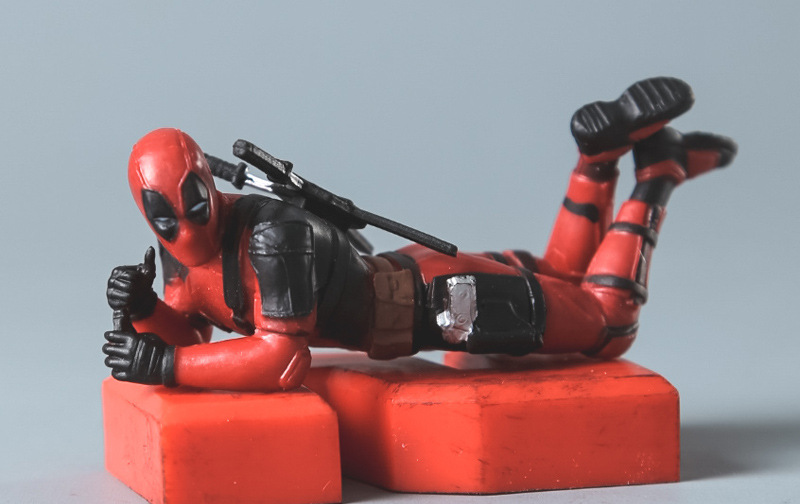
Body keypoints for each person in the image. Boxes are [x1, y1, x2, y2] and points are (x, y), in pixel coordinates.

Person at [103, 77, 736, 393]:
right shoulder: (178, 254)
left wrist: (166, 365)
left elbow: (282, 359)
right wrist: (148, 311)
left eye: (195, 204)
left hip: (443, 306)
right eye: (168, 218)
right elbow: (193, 332)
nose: (187, 228)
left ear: (209, 185)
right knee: (561, 276)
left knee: (609, 323)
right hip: (420, 280)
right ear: (147, 215)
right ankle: (596, 162)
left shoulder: (270, 237)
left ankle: (658, 174)